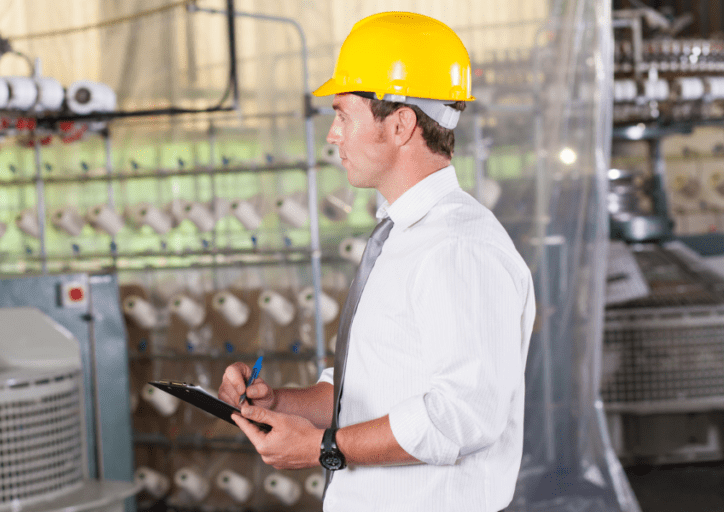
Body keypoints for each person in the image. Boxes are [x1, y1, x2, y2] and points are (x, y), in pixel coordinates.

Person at [218, 12, 536, 512]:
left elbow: (463, 414)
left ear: (401, 124)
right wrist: (279, 403)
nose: (333, 135)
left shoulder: (457, 247)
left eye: (344, 114)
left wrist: (321, 448)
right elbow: (370, 395)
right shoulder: (403, 235)